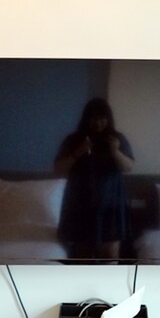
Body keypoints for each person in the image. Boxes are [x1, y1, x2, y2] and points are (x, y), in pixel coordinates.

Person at [54, 98, 135, 260]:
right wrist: (78, 152)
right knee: (83, 254)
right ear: (86, 118)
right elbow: (59, 169)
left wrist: (115, 151)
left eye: (102, 118)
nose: (97, 123)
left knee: (110, 253)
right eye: (93, 118)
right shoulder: (73, 139)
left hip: (111, 204)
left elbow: (128, 167)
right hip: (80, 204)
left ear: (108, 118)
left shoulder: (117, 139)